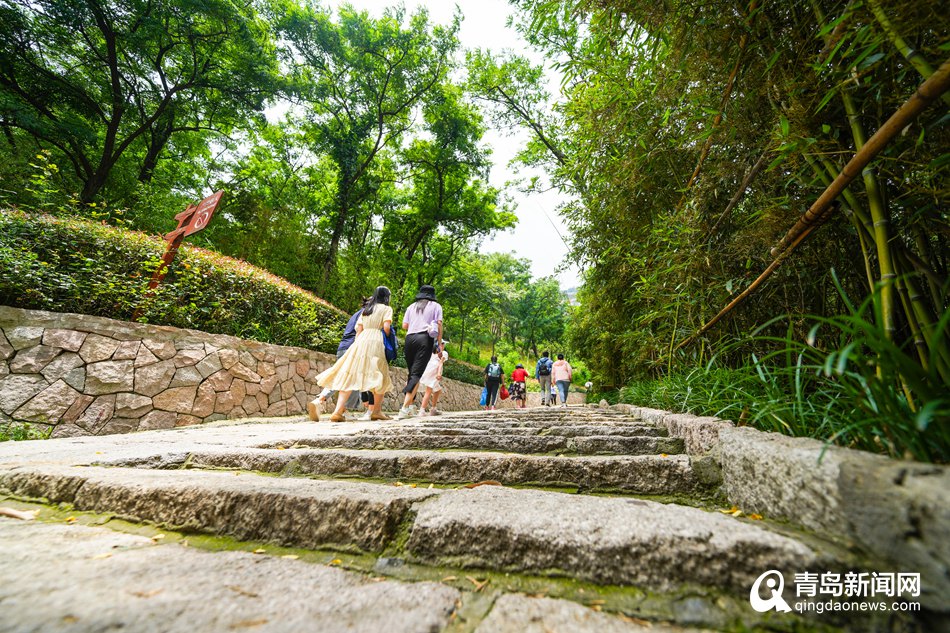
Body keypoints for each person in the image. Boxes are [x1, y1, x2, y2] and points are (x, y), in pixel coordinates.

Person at [314, 286, 394, 422]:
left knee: (350, 374)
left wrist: (358, 343)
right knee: (379, 373)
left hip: (361, 340)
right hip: (375, 340)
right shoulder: (386, 309)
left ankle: (337, 412)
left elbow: (359, 329)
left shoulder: (367, 310)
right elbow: (386, 328)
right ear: (386, 297)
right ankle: (376, 411)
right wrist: (387, 335)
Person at [308, 307, 373, 421]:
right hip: (353, 348)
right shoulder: (367, 314)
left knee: (344, 377)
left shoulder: (356, 314)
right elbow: (361, 332)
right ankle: (320, 400)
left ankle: (342, 411)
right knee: (346, 379)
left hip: (343, 346)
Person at [396, 284, 443, 419]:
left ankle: (410, 406)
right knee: (416, 374)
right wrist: (439, 344)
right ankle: (404, 409)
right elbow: (439, 325)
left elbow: (405, 325)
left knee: (412, 373)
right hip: (424, 339)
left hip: (409, 339)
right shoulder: (436, 306)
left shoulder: (411, 306)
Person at [419, 340, 448, 416]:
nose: (443, 346)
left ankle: (433, 409)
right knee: (429, 390)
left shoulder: (431, 352)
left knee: (437, 390)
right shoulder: (444, 353)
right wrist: (439, 373)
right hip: (434, 371)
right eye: (443, 344)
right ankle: (422, 410)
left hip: (428, 369)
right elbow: (441, 363)